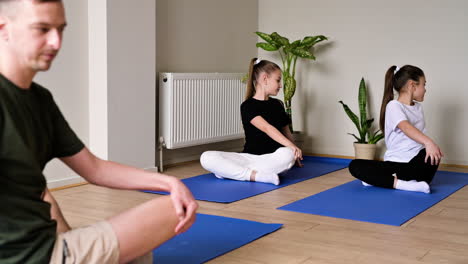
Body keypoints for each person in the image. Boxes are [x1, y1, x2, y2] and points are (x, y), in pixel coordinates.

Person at [0, 1, 198, 263]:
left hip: (46, 244)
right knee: (170, 211)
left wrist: (169, 182)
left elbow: (94, 168)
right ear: (4, 29)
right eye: (42, 29)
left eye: (61, 30)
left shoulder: (40, 100)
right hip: (30, 255)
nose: (56, 42)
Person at [200, 58, 303, 185]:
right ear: (265, 79)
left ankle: (232, 172)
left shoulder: (278, 104)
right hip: (248, 158)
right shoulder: (248, 106)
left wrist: (294, 151)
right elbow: (267, 128)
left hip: (272, 158)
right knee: (206, 157)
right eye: (278, 80)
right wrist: (292, 146)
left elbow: (286, 132)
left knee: (287, 154)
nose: (280, 85)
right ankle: (256, 175)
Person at [348, 65, 443, 194]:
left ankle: (381, 180)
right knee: (355, 166)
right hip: (395, 163)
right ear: (412, 85)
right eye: (424, 85)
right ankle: (402, 184)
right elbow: (405, 126)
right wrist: (429, 142)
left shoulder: (418, 108)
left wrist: (431, 148)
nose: (425, 89)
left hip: (415, 163)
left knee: (432, 155)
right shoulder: (394, 106)